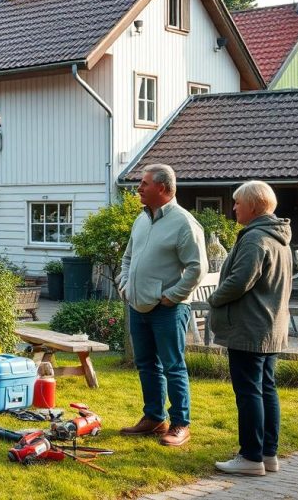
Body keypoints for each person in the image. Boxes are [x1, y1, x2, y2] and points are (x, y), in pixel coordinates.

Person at [118, 164, 207, 446]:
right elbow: (127, 257)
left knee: (173, 366)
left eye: (144, 183)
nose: (139, 188)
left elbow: (197, 268)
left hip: (168, 309)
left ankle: (180, 424)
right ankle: (154, 418)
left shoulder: (184, 223)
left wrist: (172, 296)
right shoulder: (141, 219)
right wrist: (125, 285)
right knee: (146, 364)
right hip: (138, 305)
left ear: (163, 188)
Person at [208, 181, 292, 476]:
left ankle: (251, 457)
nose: (233, 208)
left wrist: (214, 298)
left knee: (249, 392)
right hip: (269, 327)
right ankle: (268, 454)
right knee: (266, 389)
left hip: (249, 328)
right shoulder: (278, 237)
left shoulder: (256, 238)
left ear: (253, 206)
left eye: (237, 203)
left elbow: (240, 280)